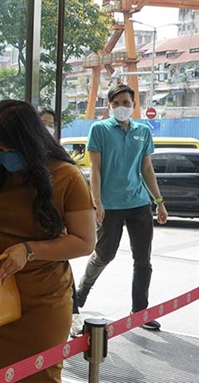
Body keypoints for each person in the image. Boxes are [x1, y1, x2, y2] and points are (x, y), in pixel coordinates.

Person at [0, 100, 95, 382]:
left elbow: (85, 242)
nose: (7, 157)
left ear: (33, 141)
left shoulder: (66, 176)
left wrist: (30, 250)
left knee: (40, 376)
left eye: (14, 150)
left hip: (43, 302)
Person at [76, 84, 168, 330]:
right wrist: (97, 202)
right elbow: (94, 169)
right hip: (110, 205)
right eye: (115, 103)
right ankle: (79, 295)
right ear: (109, 106)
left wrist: (159, 202)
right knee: (104, 254)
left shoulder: (142, 132)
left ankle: (140, 312)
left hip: (139, 203)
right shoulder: (99, 129)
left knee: (143, 259)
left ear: (134, 105)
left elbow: (146, 168)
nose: (121, 108)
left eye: (126, 103)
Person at [37, 106, 84, 337]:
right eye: (41, 122)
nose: (46, 127)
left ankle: (74, 312)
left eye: (49, 123)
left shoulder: (64, 168)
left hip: (53, 244)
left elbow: (84, 240)